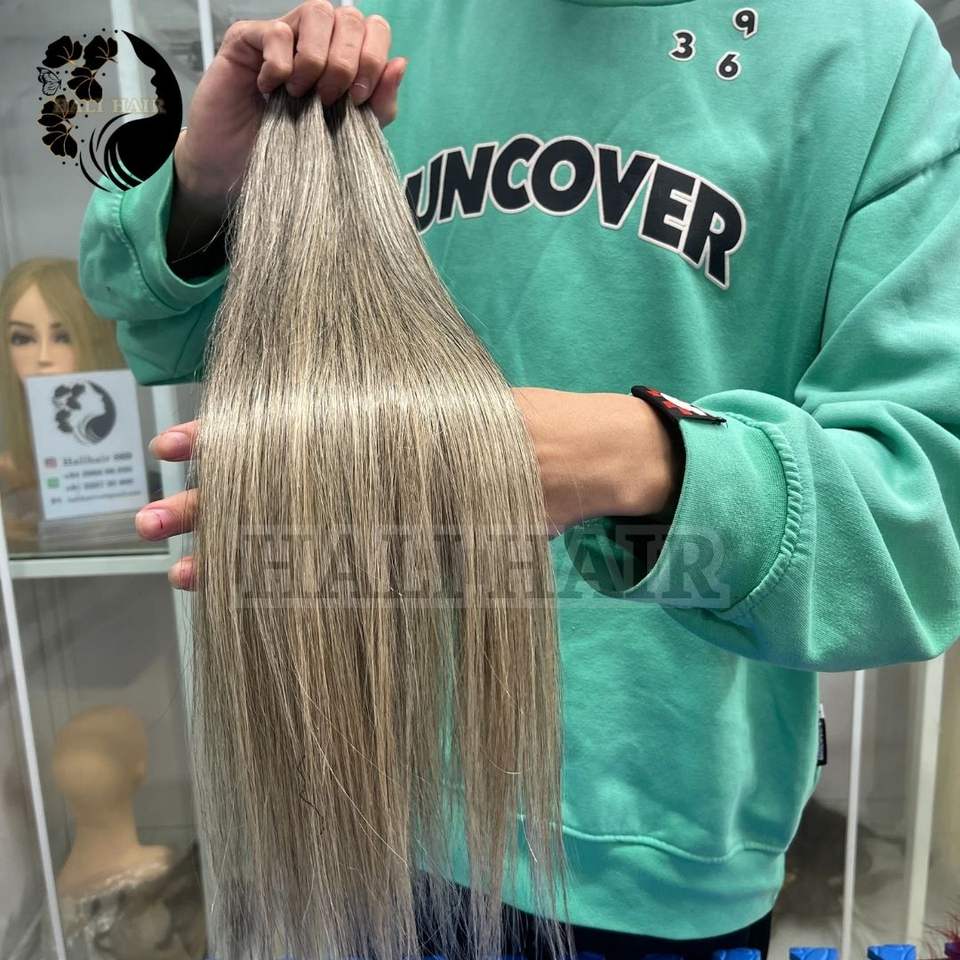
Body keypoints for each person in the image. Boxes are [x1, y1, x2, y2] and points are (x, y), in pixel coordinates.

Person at [77, 1, 960, 956]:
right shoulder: (382, 30)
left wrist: (626, 459)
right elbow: (167, 333)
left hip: (649, 847)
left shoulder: (863, 54)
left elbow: (919, 518)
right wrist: (207, 181)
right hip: (352, 802)